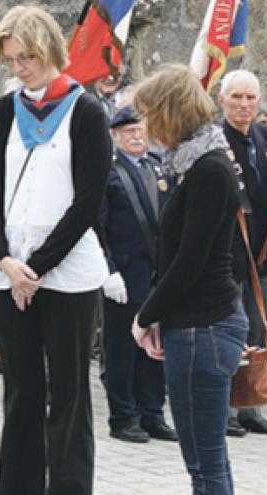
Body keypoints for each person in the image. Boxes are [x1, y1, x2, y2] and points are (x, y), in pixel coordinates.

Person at [0, 7, 110, 495]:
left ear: (51, 51)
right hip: (10, 274)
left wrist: (40, 266)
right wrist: (6, 260)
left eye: (27, 57)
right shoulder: (2, 111)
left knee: (70, 402)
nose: (20, 68)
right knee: (24, 398)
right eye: (11, 60)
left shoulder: (85, 112)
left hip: (68, 276)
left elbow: (88, 201)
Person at [131, 62, 245, 495]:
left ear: (171, 112)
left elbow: (191, 260)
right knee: (208, 464)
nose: (145, 127)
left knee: (205, 465)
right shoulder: (194, 162)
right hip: (196, 323)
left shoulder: (210, 169)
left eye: (150, 115)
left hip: (204, 326)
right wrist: (159, 315)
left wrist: (144, 314)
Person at [99, 106, 177, 444]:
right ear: (115, 136)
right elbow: (97, 227)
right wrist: (108, 269)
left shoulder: (159, 167)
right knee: (122, 347)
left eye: (140, 129)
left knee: (156, 346)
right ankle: (123, 416)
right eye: (128, 131)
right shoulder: (108, 173)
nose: (136, 136)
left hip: (157, 275)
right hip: (124, 275)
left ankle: (152, 412)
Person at [218, 69, 267, 436]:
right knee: (231, 330)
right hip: (228, 254)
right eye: (236, 98)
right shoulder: (214, 139)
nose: (244, 105)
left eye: (250, 98)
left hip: (262, 252)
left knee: (258, 329)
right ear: (222, 100)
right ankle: (226, 407)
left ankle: (252, 406)